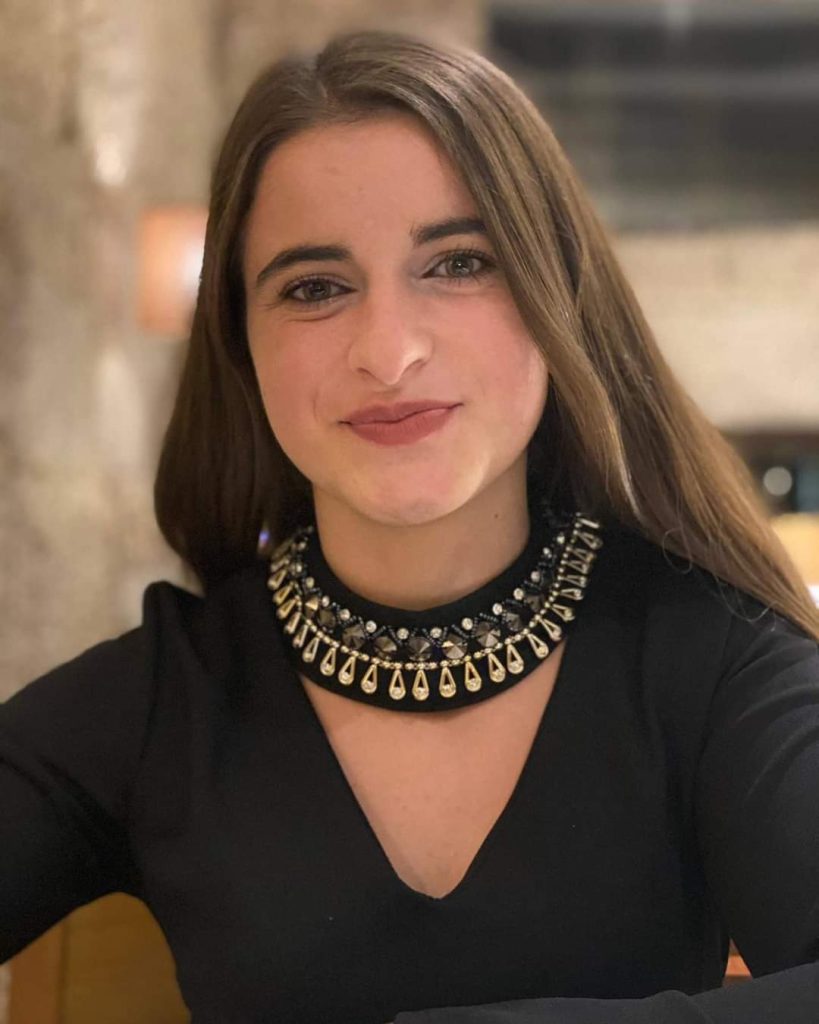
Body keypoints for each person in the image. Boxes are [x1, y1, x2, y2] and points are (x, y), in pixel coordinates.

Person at [1, 28, 818, 1024]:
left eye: (460, 263)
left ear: (558, 297)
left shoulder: (712, 655)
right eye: (314, 288)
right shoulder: (160, 700)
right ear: (241, 345)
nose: (388, 353)